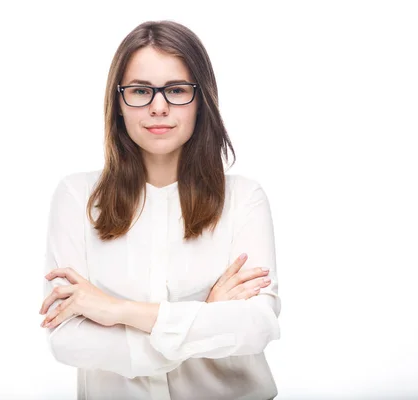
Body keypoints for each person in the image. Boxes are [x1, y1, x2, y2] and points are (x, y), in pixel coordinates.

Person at [40, 19, 280, 400]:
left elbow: (256, 327)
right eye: (139, 90)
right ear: (118, 103)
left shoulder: (244, 199)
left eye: (176, 90)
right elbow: (68, 339)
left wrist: (117, 310)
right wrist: (205, 317)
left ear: (201, 101)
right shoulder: (76, 197)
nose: (158, 106)